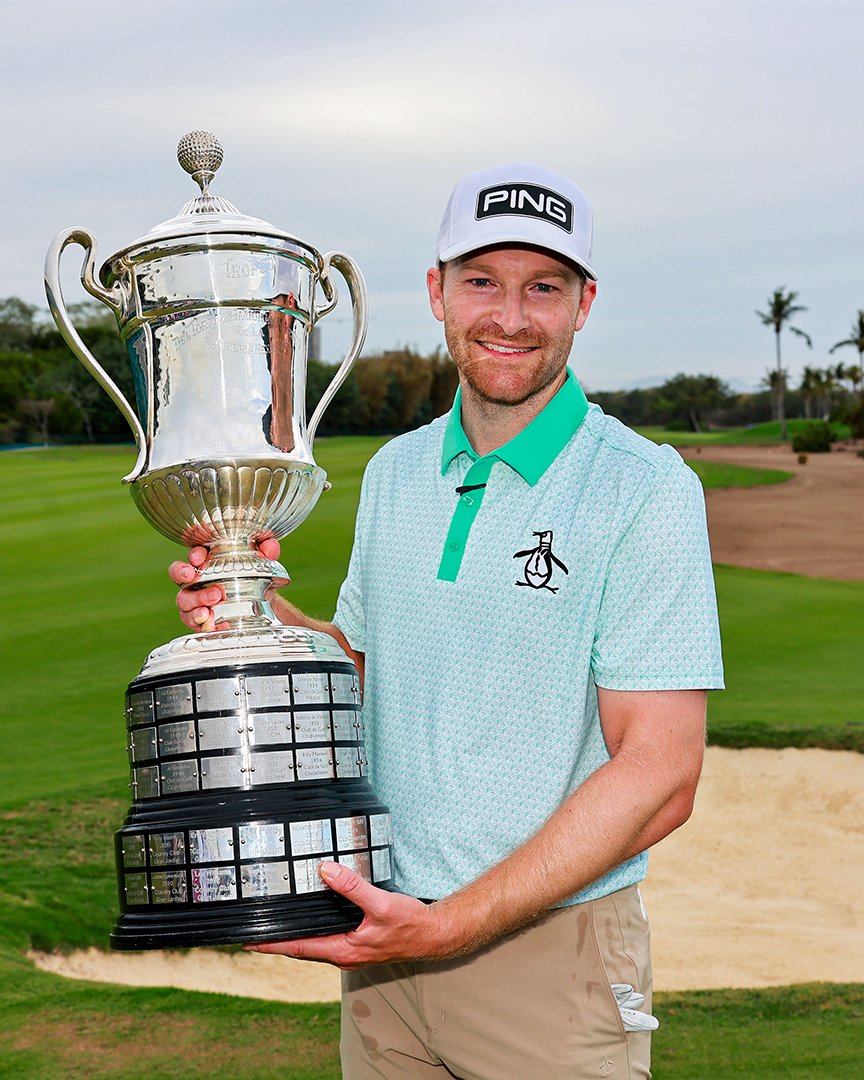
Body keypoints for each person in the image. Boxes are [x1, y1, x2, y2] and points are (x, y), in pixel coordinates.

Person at [171, 162, 724, 1079]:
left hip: (546, 964)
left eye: (542, 287)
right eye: (481, 282)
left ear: (583, 304)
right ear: (436, 292)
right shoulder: (396, 470)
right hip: (387, 948)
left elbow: (663, 774)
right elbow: (360, 669)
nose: (510, 316)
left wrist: (452, 924)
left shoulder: (645, 487)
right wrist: (253, 615)